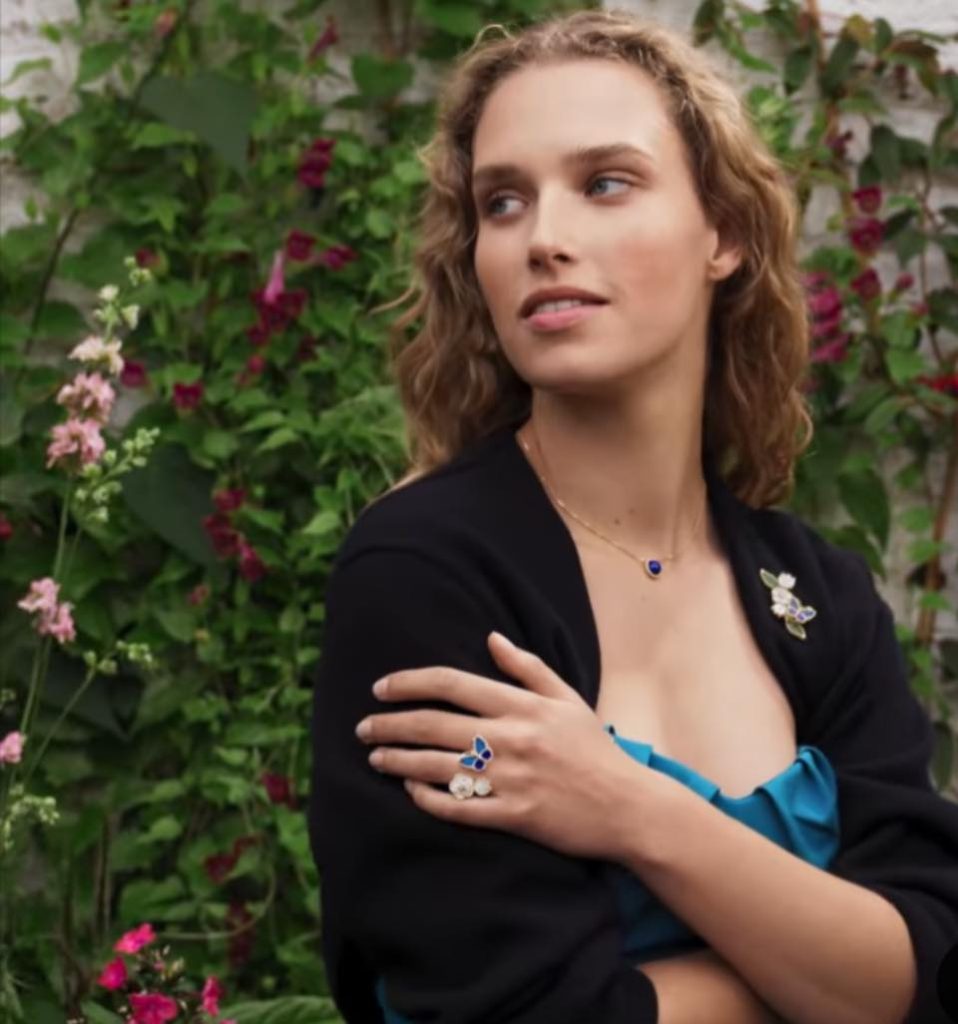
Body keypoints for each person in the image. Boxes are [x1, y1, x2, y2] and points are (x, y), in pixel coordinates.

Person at [307, 9, 958, 1023]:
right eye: (503, 202)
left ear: (722, 235)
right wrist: (813, 978)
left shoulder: (817, 596)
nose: (544, 239)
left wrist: (630, 808)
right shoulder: (424, 576)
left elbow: (928, 965)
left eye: (605, 182)